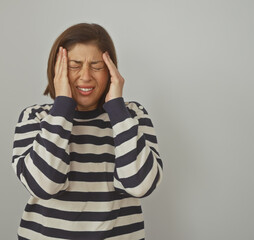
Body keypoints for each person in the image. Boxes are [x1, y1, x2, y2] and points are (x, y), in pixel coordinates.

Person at [12, 23, 163, 240]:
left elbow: (140, 185)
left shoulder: (132, 116)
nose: (85, 76)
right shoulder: (35, 117)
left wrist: (118, 110)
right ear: (58, 69)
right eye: (74, 65)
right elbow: (44, 186)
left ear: (111, 69)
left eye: (96, 66)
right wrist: (62, 106)